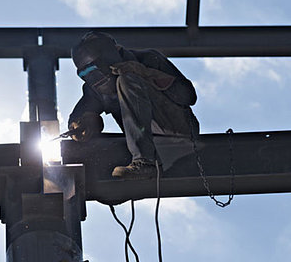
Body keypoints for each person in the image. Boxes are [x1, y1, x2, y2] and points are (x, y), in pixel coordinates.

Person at [67, 31, 200, 180]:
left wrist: (147, 74)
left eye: (94, 68)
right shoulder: (93, 89)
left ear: (115, 52)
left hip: (178, 129)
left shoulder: (149, 58)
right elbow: (77, 120)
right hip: (151, 145)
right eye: (85, 73)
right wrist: (85, 123)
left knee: (126, 80)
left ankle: (145, 163)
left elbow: (188, 96)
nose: (95, 77)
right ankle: (138, 163)